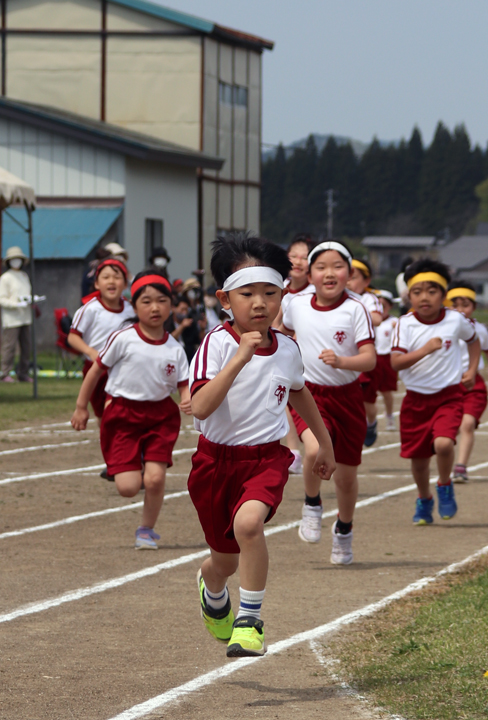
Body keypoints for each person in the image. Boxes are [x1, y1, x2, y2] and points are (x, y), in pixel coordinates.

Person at [188, 232, 334, 658]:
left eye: (270, 293)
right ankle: (212, 589)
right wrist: (239, 359)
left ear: (283, 297)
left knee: (248, 525)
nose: (258, 303)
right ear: (224, 299)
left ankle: (249, 620)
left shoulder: (287, 348)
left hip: (265, 459)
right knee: (224, 561)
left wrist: (321, 444)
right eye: (246, 293)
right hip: (214, 464)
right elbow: (199, 405)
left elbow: (300, 391)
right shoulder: (216, 344)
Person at [71, 270, 192, 550]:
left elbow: (183, 384)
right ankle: (134, 457)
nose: (154, 307)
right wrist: (81, 407)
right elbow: (96, 371)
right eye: (146, 301)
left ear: (171, 306)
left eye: (162, 301)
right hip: (123, 415)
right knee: (127, 488)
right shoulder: (123, 338)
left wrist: (187, 399)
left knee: (155, 478)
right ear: (134, 306)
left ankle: (146, 530)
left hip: (161, 417)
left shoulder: (175, 348)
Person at [282, 241, 376, 565]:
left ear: (349, 272)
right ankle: (311, 504)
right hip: (309, 395)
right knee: (312, 450)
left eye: (338, 266)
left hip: (347, 398)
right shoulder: (296, 304)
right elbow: (282, 333)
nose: (329, 273)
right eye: (321, 267)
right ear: (309, 274)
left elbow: (370, 360)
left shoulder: (356, 308)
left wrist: (342, 362)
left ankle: (344, 531)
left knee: (346, 478)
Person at [391, 260, 480, 524]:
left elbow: (474, 340)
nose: (424, 298)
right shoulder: (405, 324)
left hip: (448, 396)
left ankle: (444, 485)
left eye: (431, 291)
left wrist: (472, 370)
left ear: (443, 295)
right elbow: (396, 362)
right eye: (416, 292)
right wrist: (425, 350)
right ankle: (424, 498)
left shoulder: (455, 319)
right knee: (418, 461)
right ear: (408, 296)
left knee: (443, 444)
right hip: (415, 400)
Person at [448, 282, 488, 483]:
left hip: (473, 385)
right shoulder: (443, 328)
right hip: (449, 385)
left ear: (474, 307)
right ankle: (446, 463)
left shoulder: (479, 329)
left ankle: (461, 466)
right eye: (455, 305)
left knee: (468, 424)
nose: (460, 310)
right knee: (449, 431)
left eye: (466, 305)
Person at [68, 258, 134, 419]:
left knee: (117, 411)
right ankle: (108, 441)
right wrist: (90, 351)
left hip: (123, 368)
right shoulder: (90, 309)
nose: (111, 281)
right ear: (97, 283)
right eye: (106, 277)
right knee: (103, 415)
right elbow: (73, 337)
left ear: (125, 284)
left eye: (117, 277)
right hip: (96, 369)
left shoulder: (132, 310)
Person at [274, 234, 313, 474]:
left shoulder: (316, 291)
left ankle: (314, 446)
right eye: (294, 256)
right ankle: (294, 452)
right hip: (286, 356)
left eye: (305, 257)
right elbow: (276, 324)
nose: (298, 261)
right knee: (283, 401)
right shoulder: (278, 288)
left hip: (312, 361)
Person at [348, 257, 385, 446]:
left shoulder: (368, 298)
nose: (349, 281)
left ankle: (371, 423)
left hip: (366, 358)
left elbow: (377, 319)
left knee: (368, 403)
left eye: (354, 277)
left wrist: (352, 313)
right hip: (344, 359)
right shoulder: (337, 299)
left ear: (366, 281)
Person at [0, 246, 33, 382]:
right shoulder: (5, 278)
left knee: (26, 347)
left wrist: (31, 301)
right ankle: (5, 373)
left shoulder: (24, 276)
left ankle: (23, 373)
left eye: (18, 259)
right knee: (9, 346)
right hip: (11, 318)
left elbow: (26, 295)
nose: (16, 261)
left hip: (25, 317)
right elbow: (0, 299)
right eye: (13, 259)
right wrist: (16, 304)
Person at [371, 290, 399, 431]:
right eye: (378, 305)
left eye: (384, 305)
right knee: (369, 392)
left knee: (387, 392)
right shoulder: (369, 320)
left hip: (387, 358)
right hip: (372, 358)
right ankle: (371, 419)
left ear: (390, 307)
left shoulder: (394, 322)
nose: (381, 309)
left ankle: (389, 416)